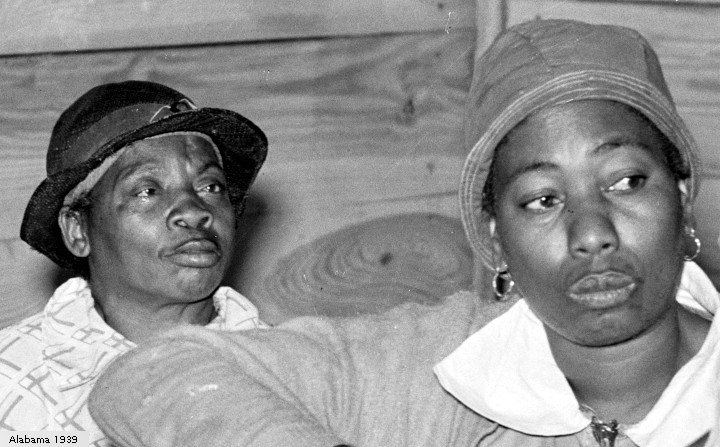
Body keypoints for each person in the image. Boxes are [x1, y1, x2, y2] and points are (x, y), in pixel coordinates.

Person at [88, 20, 719, 447]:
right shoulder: (442, 364)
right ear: (495, 239)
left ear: (683, 195)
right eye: (543, 200)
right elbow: (152, 376)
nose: (592, 234)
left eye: (626, 182)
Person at [0, 81, 269, 445]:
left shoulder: (296, 368)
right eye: (148, 191)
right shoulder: (11, 380)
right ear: (77, 229)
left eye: (211, 187)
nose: (194, 211)